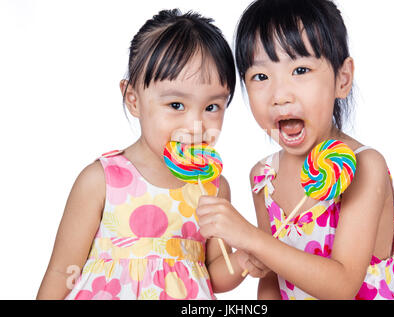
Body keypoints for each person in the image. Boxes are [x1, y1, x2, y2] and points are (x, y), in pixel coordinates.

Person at [197, 0, 394, 300]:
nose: (280, 95)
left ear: (343, 79)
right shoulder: (263, 177)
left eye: (300, 69)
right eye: (260, 76)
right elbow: (271, 280)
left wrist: (250, 237)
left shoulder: (364, 166)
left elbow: (342, 285)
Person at [36, 9, 263, 300]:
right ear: (133, 99)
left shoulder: (212, 187)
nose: (195, 124)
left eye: (212, 107)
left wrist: (244, 261)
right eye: (176, 105)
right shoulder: (100, 180)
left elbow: (212, 272)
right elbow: (60, 271)